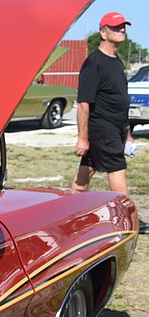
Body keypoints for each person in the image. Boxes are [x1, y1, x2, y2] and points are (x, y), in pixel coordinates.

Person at [72, 11, 148, 234]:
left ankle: (71, 214)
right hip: (101, 129)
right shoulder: (94, 63)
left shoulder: (116, 62)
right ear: (103, 33)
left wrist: (126, 133)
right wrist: (82, 138)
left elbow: (119, 101)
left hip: (114, 130)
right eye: (115, 27)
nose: (121, 30)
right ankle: (128, 220)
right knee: (117, 169)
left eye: (123, 26)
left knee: (86, 172)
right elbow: (83, 104)